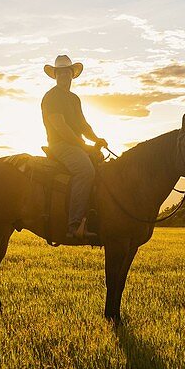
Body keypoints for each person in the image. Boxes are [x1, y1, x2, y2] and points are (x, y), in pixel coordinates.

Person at [40, 54, 107, 241]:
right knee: (85, 171)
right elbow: (60, 127)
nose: (63, 76)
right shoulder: (52, 97)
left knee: (103, 167)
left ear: (72, 74)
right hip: (60, 145)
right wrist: (84, 146)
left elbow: (83, 125)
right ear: (55, 75)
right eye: (59, 73)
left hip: (75, 145)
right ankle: (74, 225)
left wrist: (96, 139)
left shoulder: (74, 99)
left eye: (66, 72)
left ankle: (95, 217)